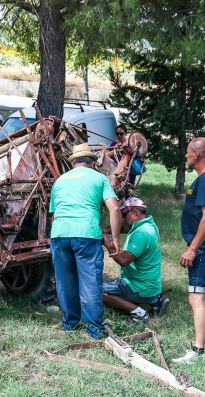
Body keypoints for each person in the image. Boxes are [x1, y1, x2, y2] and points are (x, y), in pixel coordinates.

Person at [50, 143, 121, 340]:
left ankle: (70, 325)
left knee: (65, 283)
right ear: (92, 162)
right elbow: (114, 209)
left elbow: (54, 216)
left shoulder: (59, 181)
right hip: (87, 235)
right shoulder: (99, 178)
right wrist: (114, 239)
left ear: (73, 162)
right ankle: (94, 330)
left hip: (60, 235)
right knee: (90, 283)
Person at [173, 137, 205, 365]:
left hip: (204, 246)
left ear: (196, 154)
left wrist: (192, 248)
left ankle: (197, 350)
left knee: (196, 296)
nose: (185, 156)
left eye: (187, 152)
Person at [102, 197, 168, 324]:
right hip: (152, 285)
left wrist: (107, 242)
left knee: (95, 290)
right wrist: (105, 229)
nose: (122, 219)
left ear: (134, 213)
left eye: (124, 215)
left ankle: (139, 313)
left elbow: (123, 261)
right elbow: (123, 227)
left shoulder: (140, 233)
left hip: (137, 286)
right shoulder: (148, 224)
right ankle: (155, 301)